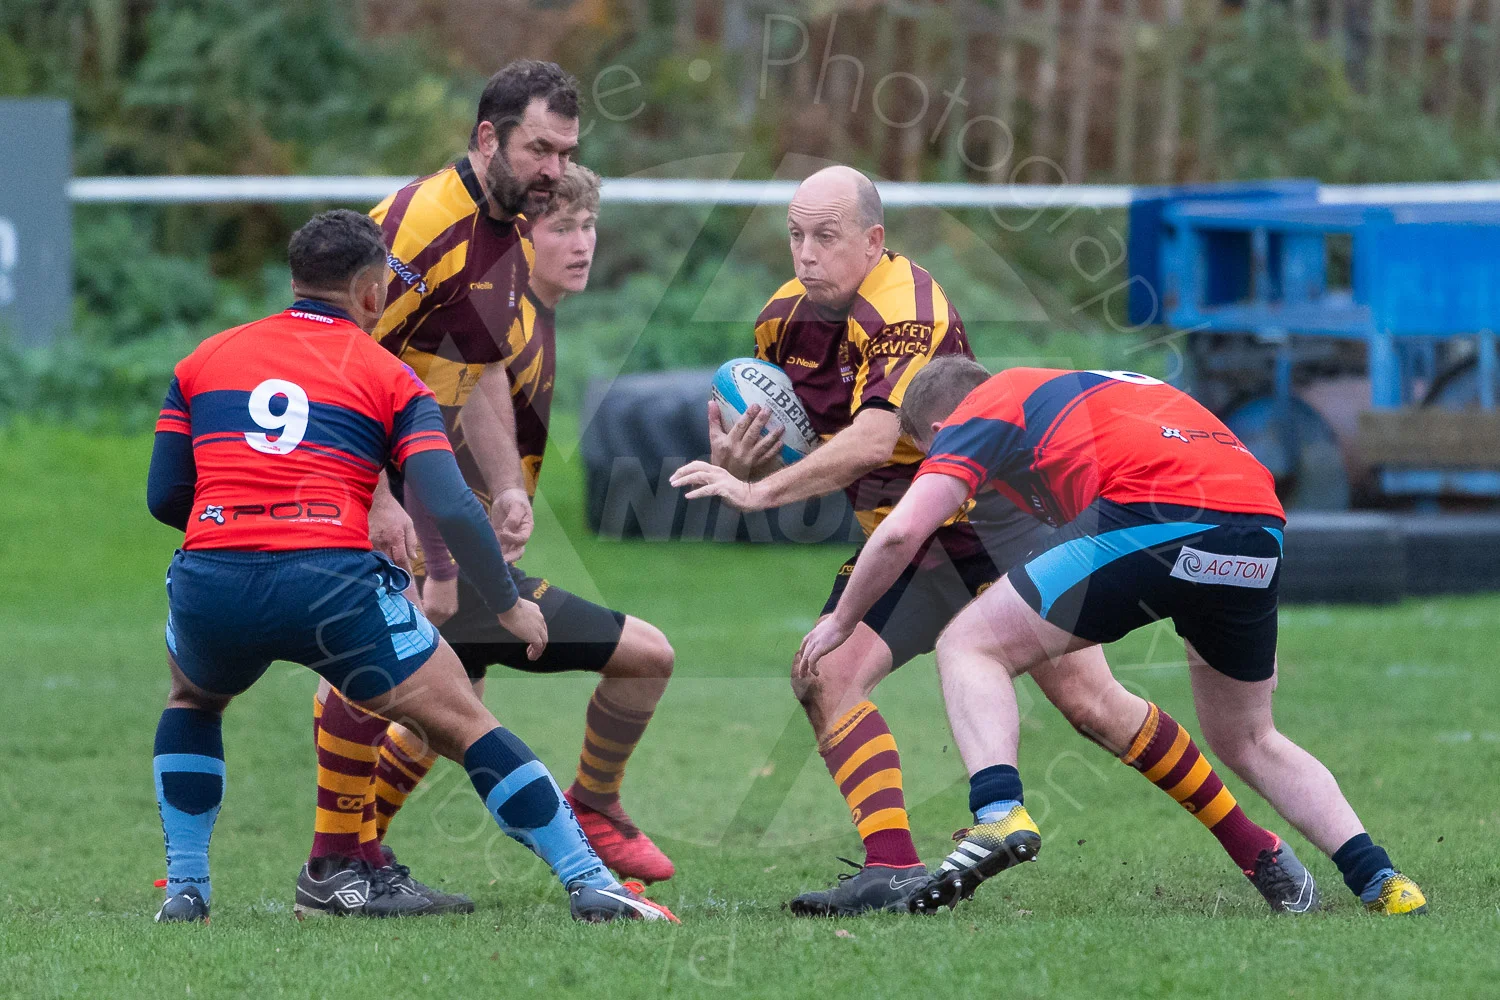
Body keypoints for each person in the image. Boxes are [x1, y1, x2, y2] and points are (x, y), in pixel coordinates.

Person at [671, 166, 1306, 916]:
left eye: (826, 237)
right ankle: (893, 867)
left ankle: (1255, 847)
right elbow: (797, 432)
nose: (805, 254)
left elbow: (877, 438)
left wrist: (759, 491)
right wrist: (744, 457)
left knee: (1092, 702)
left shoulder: (909, 309)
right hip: (902, 537)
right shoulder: (782, 320)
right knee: (824, 672)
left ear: (873, 241)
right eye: (795, 235)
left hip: (992, 519)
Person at [147, 209, 675, 925]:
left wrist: (244, 530)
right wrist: (510, 604)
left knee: (194, 702)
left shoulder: (203, 360)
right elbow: (453, 504)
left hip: (213, 578)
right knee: (466, 722)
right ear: (371, 291)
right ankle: (587, 880)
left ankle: (187, 891)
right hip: (330, 582)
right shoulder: (387, 374)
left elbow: (166, 496)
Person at [796, 357, 1428, 917]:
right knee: (1250, 736)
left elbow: (904, 531)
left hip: (1162, 514)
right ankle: (1382, 880)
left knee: (971, 645)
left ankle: (997, 814)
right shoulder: (1084, 390)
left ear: (939, 432)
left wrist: (844, 618)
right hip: (1258, 526)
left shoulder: (981, 410)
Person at [300, 62, 674, 914]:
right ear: (485, 138)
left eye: (566, 152)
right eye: (538, 149)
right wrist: (381, 497)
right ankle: (340, 867)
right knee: (385, 680)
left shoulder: (504, 234)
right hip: (357, 479)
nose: (551, 169)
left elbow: (476, 367)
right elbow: (337, 355)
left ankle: (354, 861)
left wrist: (508, 485)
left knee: (430, 691)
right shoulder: (425, 222)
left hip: (426, 504)